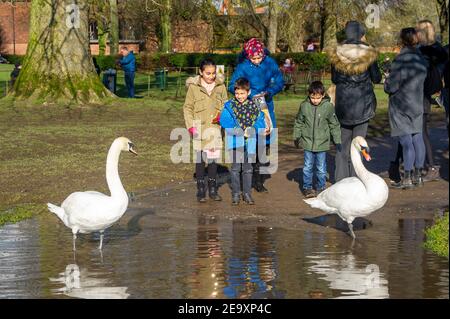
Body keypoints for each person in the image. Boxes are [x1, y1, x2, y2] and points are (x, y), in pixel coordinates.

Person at [326, 20, 382, 182]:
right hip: (363, 103)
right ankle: (356, 179)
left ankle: (340, 179)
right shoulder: (368, 53)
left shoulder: (337, 53)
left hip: (343, 103)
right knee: (359, 144)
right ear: (361, 34)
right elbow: (376, 78)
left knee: (342, 145)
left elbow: (335, 79)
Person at [228, 38, 284, 193]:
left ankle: (258, 180)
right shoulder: (242, 67)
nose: (257, 60)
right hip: (248, 105)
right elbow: (232, 85)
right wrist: (246, 93)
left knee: (264, 141)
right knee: (249, 140)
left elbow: (279, 81)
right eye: (254, 58)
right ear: (248, 56)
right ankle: (246, 174)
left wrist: (270, 91)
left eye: (260, 57)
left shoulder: (270, 63)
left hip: (265, 104)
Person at [384, 28, 428, 189]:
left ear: (402, 40)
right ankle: (418, 176)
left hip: (401, 105)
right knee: (418, 138)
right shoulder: (421, 59)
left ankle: (407, 178)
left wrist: (387, 80)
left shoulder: (401, 60)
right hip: (417, 103)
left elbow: (392, 87)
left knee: (406, 141)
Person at [183, 59, 228, 203]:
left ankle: (213, 188)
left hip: (215, 129)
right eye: (208, 73)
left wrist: (223, 117)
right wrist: (190, 126)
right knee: (201, 160)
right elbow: (187, 107)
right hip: (199, 129)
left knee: (213, 160)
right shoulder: (193, 88)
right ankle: (201, 189)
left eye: (214, 73)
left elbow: (226, 105)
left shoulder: (221, 87)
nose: (211, 76)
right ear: (201, 72)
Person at [220, 78, 268, 205]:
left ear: (248, 92)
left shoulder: (254, 107)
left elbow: (261, 122)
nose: (239, 96)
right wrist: (237, 130)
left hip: (250, 143)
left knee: (248, 169)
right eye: (237, 93)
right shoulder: (230, 106)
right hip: (235, 142)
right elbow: (224, 120)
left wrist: (252, 129)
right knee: (235, 169)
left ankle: (247, 193)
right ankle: (236, 193)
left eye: (242, 93)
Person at [293, 81, 342, 198]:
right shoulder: (304, 106)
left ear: (323, 95)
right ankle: (307, 187)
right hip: (308, 143)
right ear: (309, 95)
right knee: (307, 167)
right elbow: (299, 122)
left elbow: (334, 124)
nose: (315, 100)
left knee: (321, 168)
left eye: (318, 98)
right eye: (312, 97)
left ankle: (321, 187)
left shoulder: (328, 107)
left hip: (322, 143)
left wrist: (337, 140)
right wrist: (296, 136)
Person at [415, 20, 448, 182]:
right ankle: (422, 165)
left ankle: (430, 166)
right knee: (421, 132)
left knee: (421, 133)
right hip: (426, 94)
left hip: (419, 94)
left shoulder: (421, 52)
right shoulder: (440, 50)